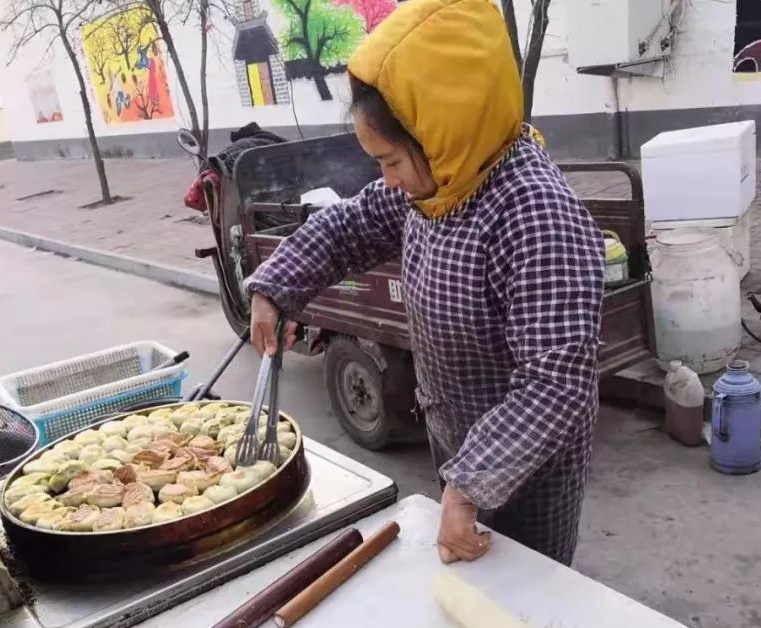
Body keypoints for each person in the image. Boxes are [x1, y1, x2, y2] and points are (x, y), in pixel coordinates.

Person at [245, 0, 604, 566]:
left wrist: (468, 485)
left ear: (445, 131)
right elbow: (348, 227)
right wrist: (274, 287)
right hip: (458, 442)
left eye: (389, 161)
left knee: (523, 597)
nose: (385, 181)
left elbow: (555, 382)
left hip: (528, 468)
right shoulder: (439, 187)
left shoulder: (536, 216)